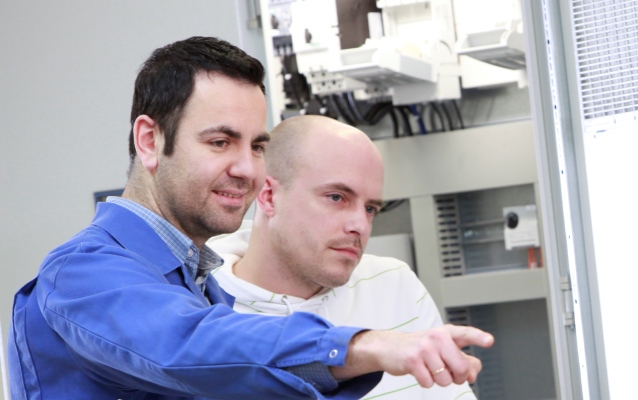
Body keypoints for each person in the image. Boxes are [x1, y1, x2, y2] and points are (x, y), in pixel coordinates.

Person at [6, 37, 492, 400]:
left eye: (256, 146)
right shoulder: (81, 273)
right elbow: (187, 346)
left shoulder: (197, 282)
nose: (245, 169)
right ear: (150, 141)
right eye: (219, 142)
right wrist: (364, 347)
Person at [207, 115, 477, 399]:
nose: (360, 225)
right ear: (269, 196)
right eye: (337, 197)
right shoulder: (200, 306)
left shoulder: (393, 284)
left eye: (370, 208)